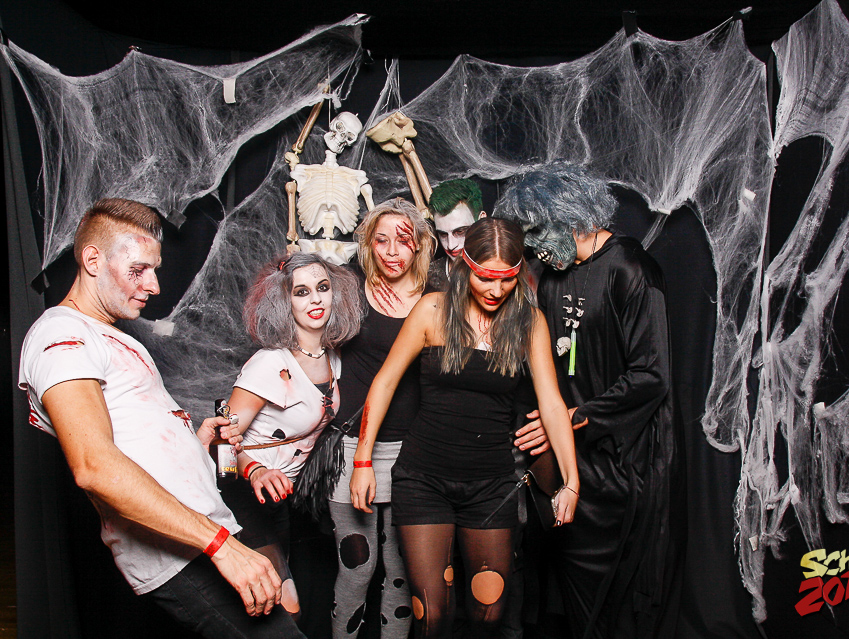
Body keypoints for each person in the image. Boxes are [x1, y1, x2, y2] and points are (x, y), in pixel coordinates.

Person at [18, 198, 305, 638]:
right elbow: (93, 466)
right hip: (181, 552)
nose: (153, 285)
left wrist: (197, 444)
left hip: (202, 537)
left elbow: (134, 440)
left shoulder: (109, 334)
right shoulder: (61, 333)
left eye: (154, 269)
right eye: (138, 270)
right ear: (92, 261)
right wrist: (220, 546)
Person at [351, 217, 580, 639]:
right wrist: (362, 461)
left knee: (489, 614)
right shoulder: (432, 310)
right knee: (432, 616)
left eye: (507, 279)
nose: (496, 290)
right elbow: (384, 383)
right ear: (465, 265)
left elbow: (552, 404)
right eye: (485, 277)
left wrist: (571, 482)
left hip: (491, 485)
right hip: (423, 480)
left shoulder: (529, 322)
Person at [495, 163, 685, 639]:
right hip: (571, 463)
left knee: (621, 597)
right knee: (573, 599)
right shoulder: (551, 277)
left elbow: (652, 376)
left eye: (537, 232)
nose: (532, 248)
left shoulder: (632, 269)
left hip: (627, 463)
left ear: (570, 216)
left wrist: (575, 417)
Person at [218, 252, 364, 620]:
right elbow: (218, 444)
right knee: (282, 605)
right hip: (244, 495)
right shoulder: (270, 364)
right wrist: (254, 471)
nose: (316, 300)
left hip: (283, 500)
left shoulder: (333, 358)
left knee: (285, 604)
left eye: (323, 288)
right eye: (302, 292)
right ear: (285, 301)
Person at [326, 197, 436, 639]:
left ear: (419, 245)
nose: (392, 251)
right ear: (368, 244)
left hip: (413, 452)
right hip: (354, 446)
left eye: (403, 241)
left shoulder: (437, 297)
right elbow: (294, 309)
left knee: (402, 573)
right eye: (381, 240)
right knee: (357, 567)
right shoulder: (348, 286)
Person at [427, 178, 486, 290]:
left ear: (481, 221)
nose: (450, 245)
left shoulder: (504, 266)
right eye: (443, 234)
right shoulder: (428, 276)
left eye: (460, 232)